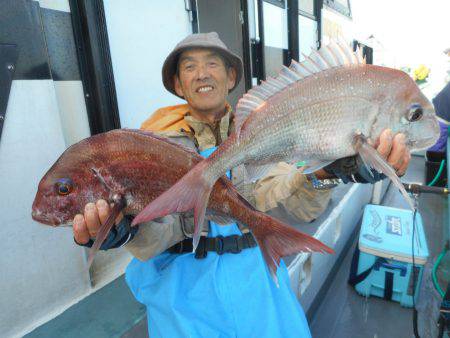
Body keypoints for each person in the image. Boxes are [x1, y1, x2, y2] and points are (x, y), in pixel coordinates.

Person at [73, 32, 411, 337]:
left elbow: (293, 202)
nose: (202, 73)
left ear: (231, 76)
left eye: (212, 64)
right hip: (184, 297)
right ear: (178, 84)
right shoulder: (155, 145)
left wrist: (333, 171)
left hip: (257, 286)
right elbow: (158, 233)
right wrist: (125, 230)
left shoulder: (265, 128)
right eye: (189, 67)